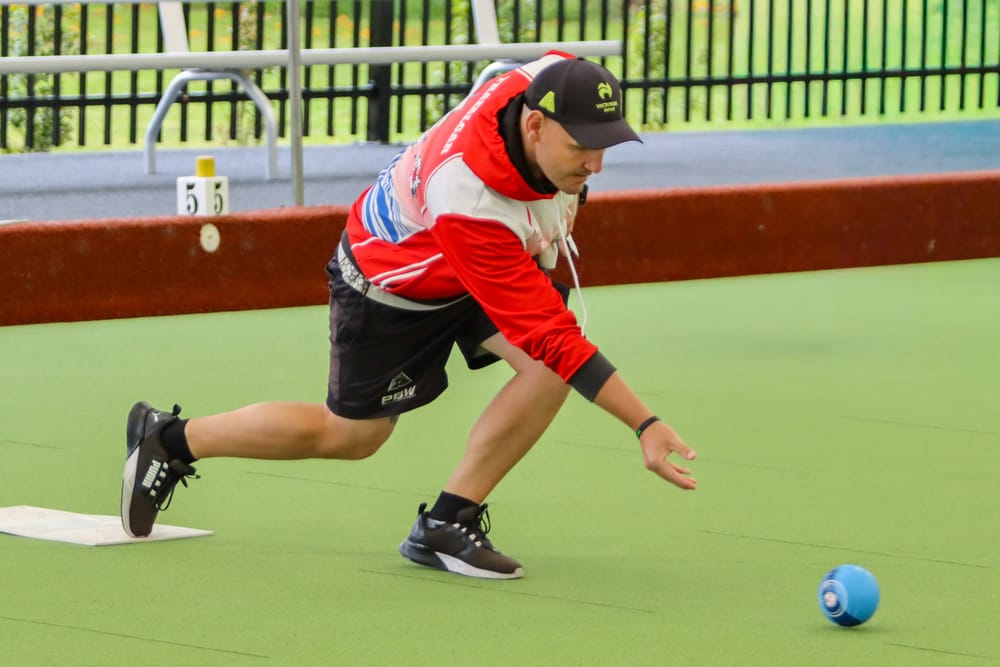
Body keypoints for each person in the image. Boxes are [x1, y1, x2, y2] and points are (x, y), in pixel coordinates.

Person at [121, 51, 697, 580]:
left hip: (472, 254)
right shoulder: (468, 198)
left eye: (607, 144)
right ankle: (171, 439)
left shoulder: (549, 80)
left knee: (549, 369)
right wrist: (645, 424)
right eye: (581, 148)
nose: (596, 163)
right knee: (352, 435)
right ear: (535, 126)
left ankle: (448, 523)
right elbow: (550, 333)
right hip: (391, 281)